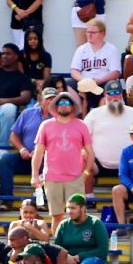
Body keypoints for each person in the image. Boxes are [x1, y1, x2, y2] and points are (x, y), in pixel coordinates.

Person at [32, 92, 94, 226]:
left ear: (72, 107)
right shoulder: (46, 125)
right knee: (57, 216)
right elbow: (38, 152)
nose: (63, 105)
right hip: (52, 177)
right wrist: (34, 175)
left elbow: (90, 152)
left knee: (78, 216)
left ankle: (77, 246)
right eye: (60, 102)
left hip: (75, 177)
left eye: (67, 103)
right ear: (56, 106)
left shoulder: (81, 125)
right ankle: (58, 245)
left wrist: (86, 173)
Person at [85, 80, 133, 185]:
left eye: (117, 92)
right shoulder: (94, 114)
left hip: (129, 165)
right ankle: (89, 198)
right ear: (105, 95)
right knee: (82, 157)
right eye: (111, 93)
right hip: (98, 165)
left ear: (122, 94)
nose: (115, 96)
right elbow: (81, 138)